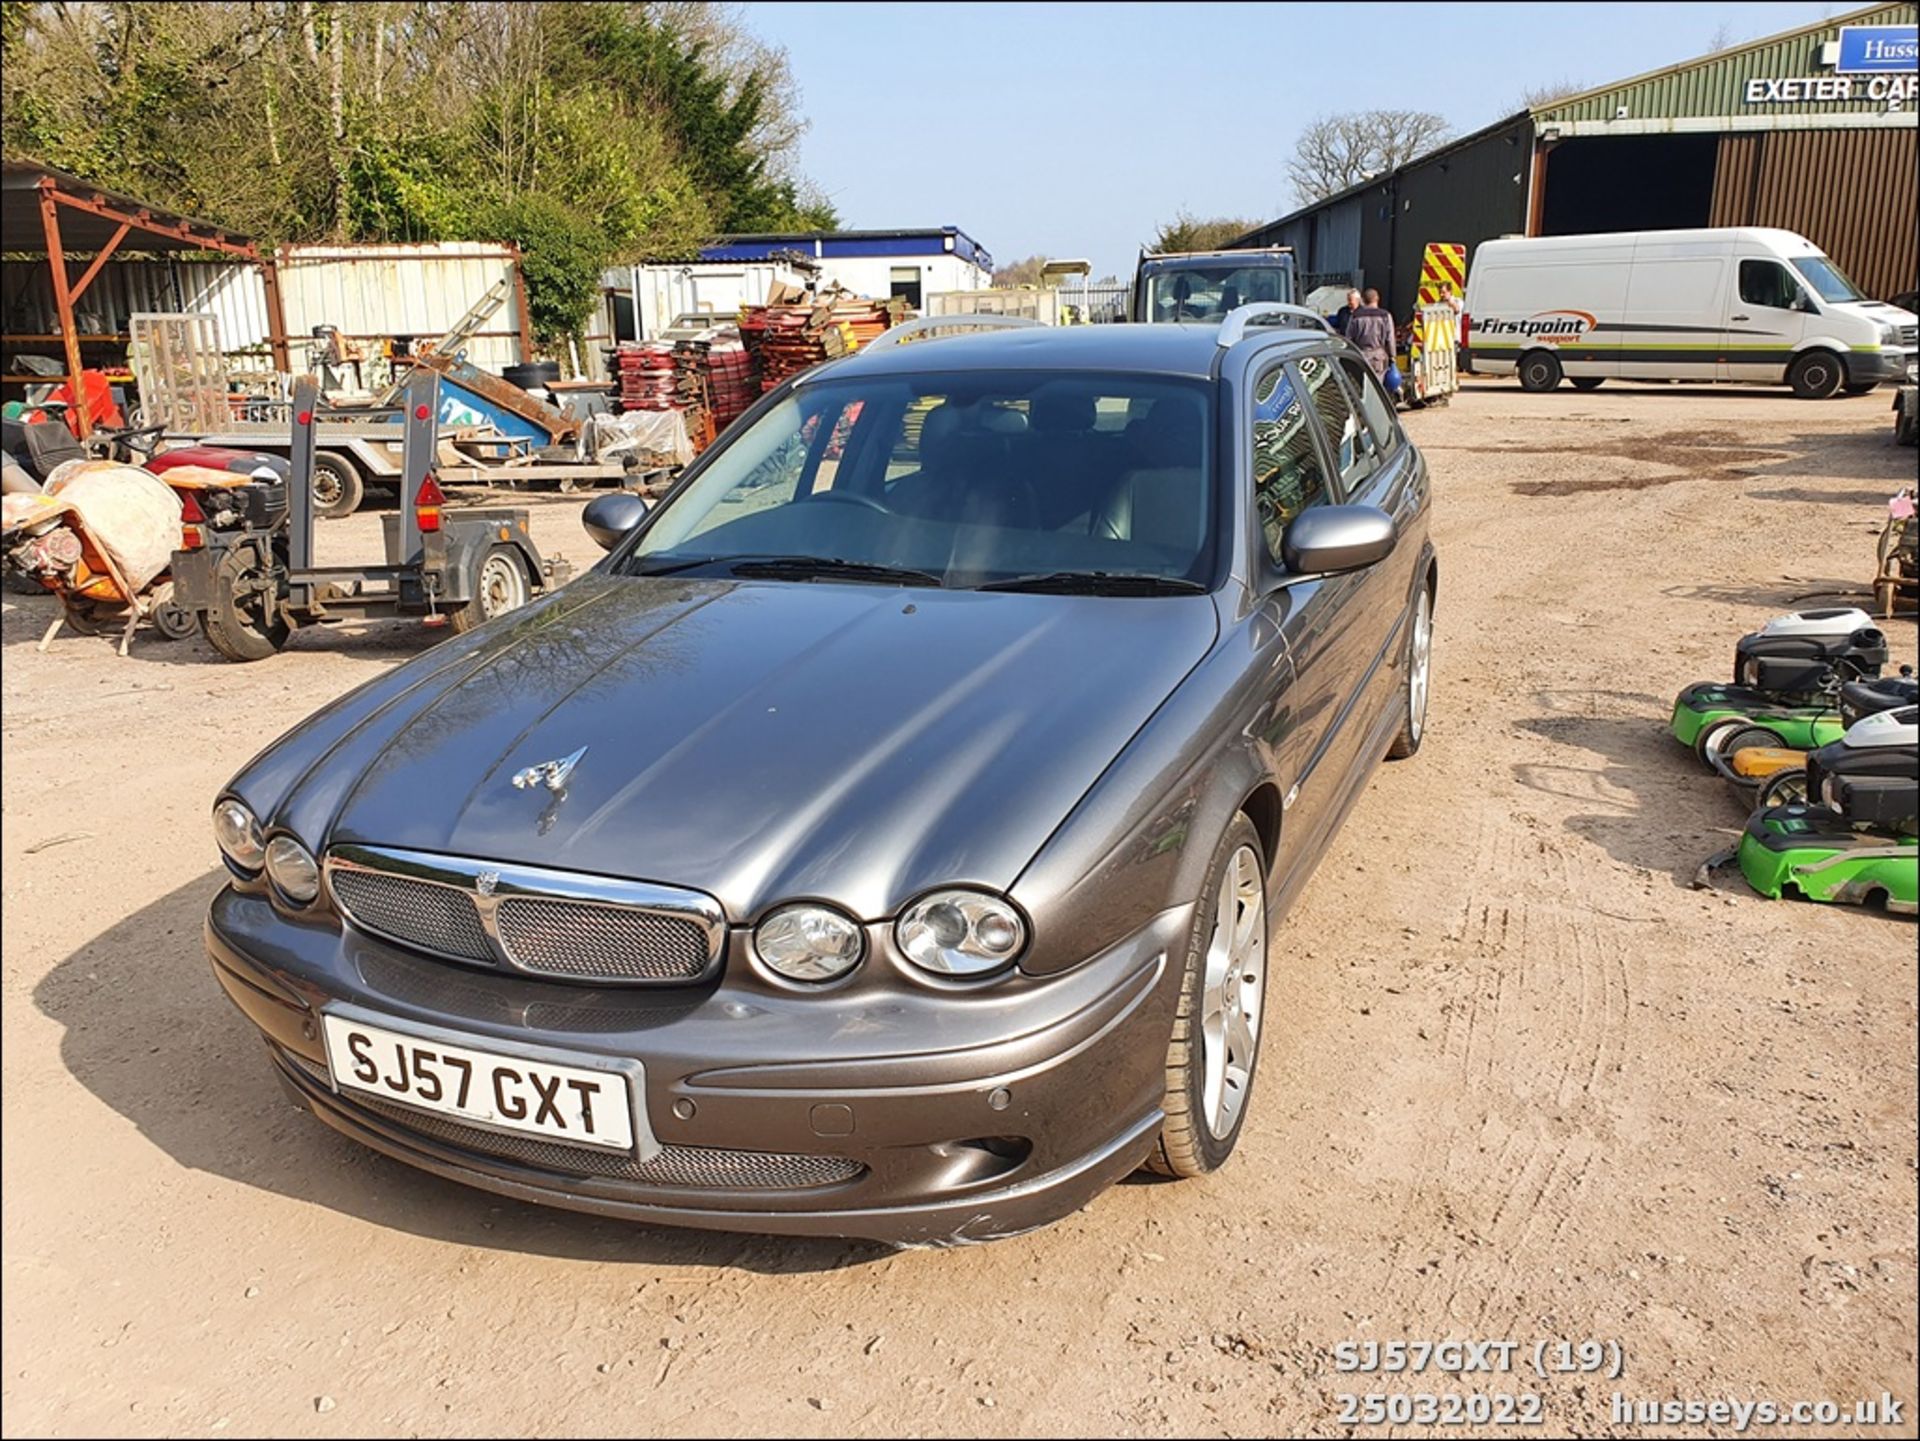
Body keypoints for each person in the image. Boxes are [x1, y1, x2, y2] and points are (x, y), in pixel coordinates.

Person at [1345, 288, 1397, 382]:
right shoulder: (1385, 316)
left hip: (1360, 357)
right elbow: (1390, 339)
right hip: (1378, 358)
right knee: (1377, 387)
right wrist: (1392, 356)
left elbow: (1348, 338)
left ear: (1363, 300)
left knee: (1362, 387)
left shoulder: (1355, 316)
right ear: (1377, 299)